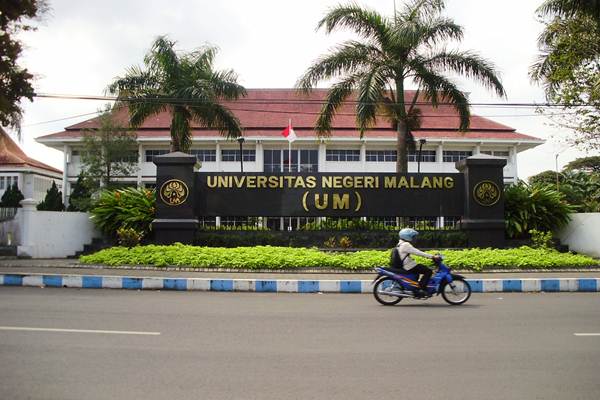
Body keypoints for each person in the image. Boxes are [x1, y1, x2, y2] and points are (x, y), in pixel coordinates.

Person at [396, 228, 439, 297]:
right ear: (407, 236)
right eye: (413, 236)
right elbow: (418, 252)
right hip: (408, 266)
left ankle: (416, 288)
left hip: (406, 264)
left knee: (419, 271)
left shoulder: (400, 243)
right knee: (428, 271)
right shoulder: (406, 244)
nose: (414, 238)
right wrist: (432, 256)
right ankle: (421, 289)